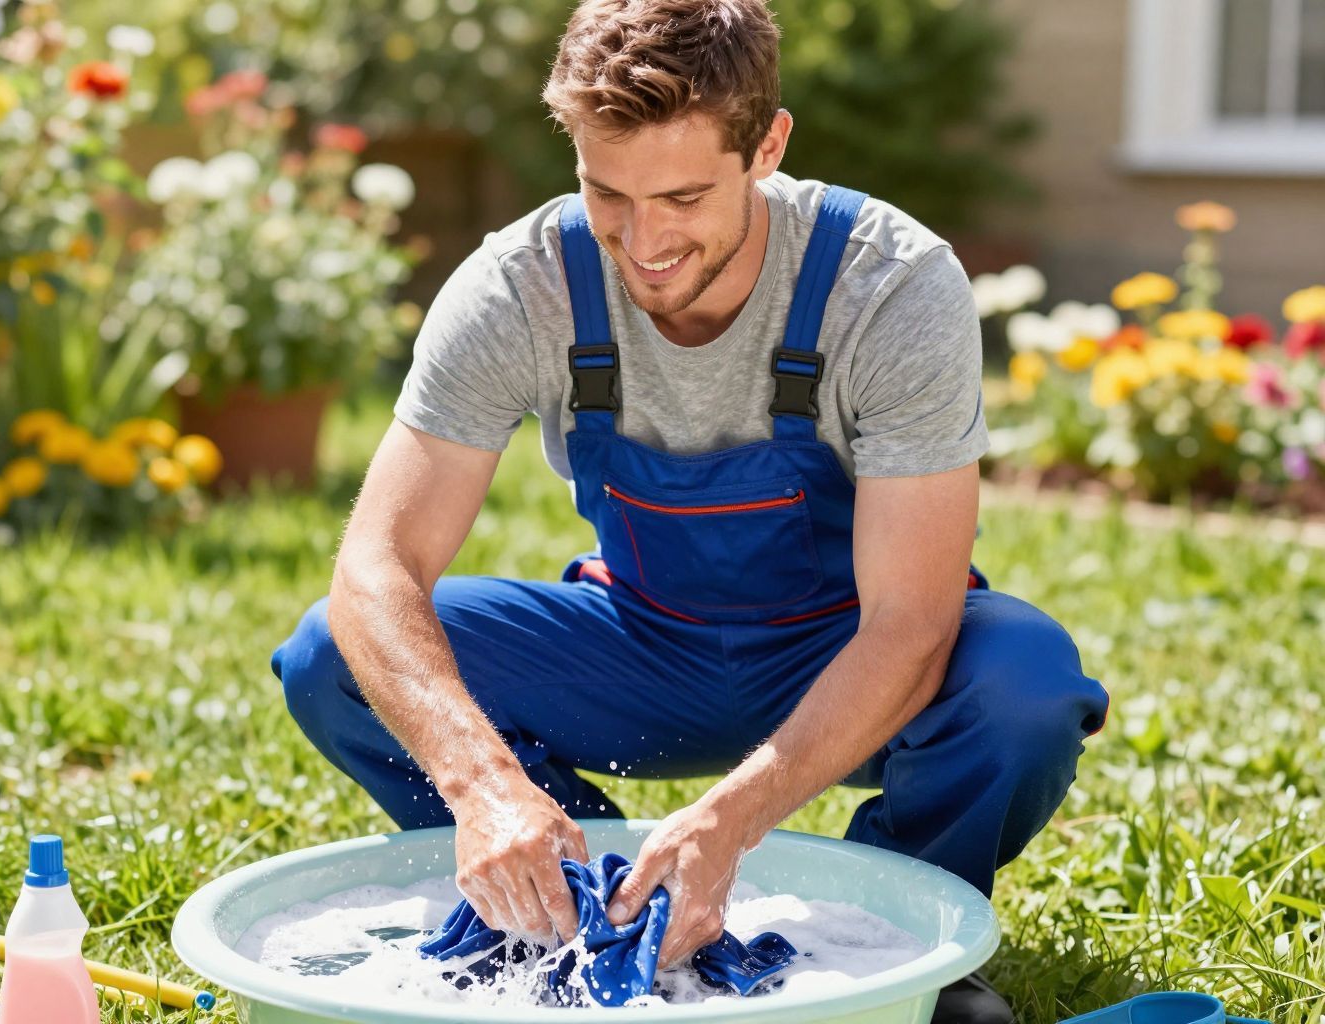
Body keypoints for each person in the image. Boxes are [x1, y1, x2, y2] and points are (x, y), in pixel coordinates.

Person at [272, 1, 1109, 1019]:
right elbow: (377, 565)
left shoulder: (890, 284)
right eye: (605, 192)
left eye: (681, 194)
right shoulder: (521, 285)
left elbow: (912, 623)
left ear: (769, 145)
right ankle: (578, 911)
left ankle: (901, 952)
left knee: (1022, 680)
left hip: (848, 650)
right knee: (334, 656)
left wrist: (734, 818)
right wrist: (482, 782)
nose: (643, 239)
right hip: (645, 644)